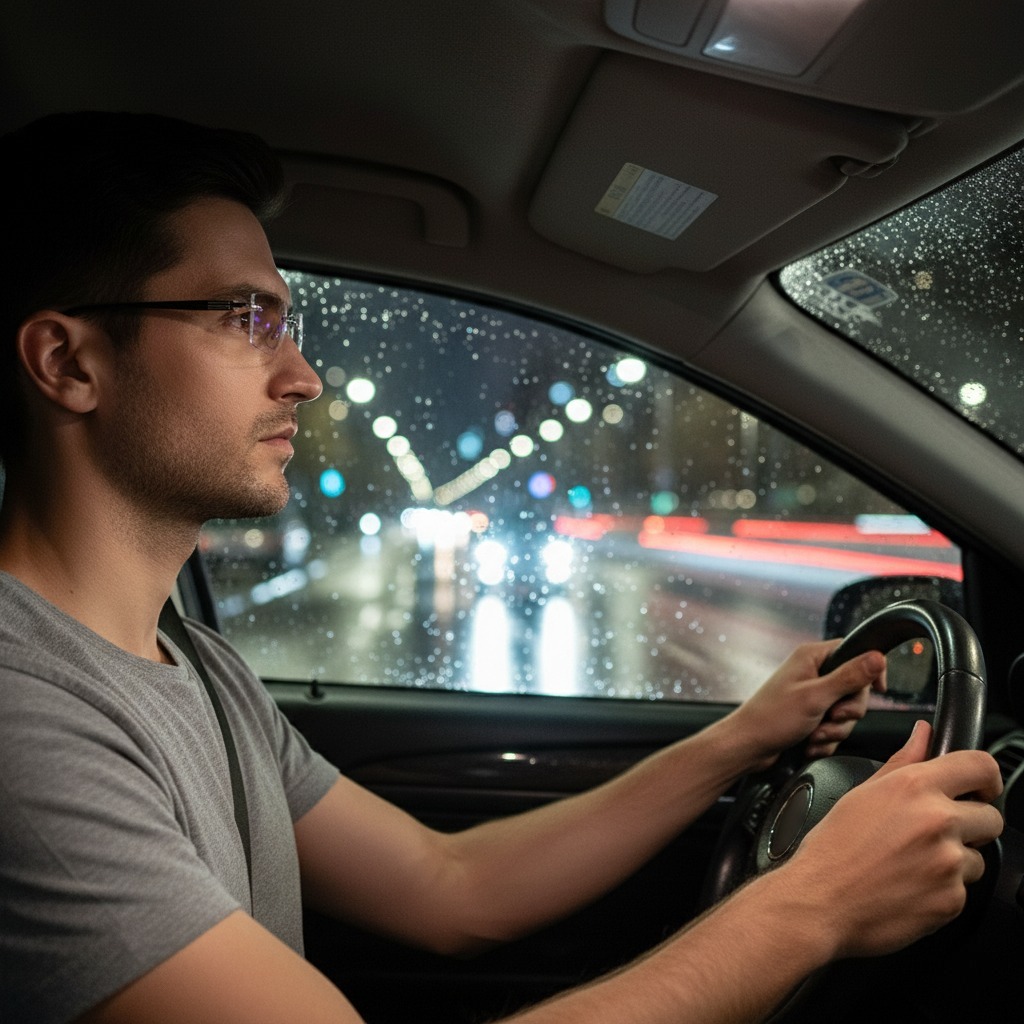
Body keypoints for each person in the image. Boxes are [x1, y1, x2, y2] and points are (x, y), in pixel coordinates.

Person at [0, 111, 1003, 1024]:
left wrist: (739, 741)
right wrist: (814, 904)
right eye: (242, 317)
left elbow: (449, 886)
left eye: (287, 323)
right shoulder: (23, 716)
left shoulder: (197, 666)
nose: (300, 375)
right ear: (69, 363)